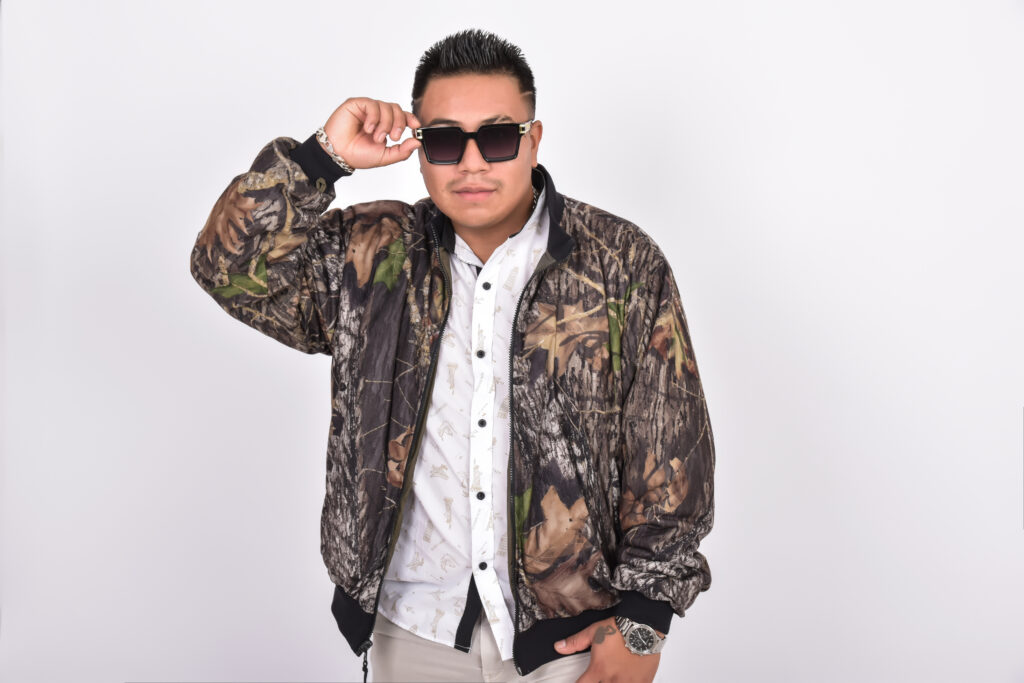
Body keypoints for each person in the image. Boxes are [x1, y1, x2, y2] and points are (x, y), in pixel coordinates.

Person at [190, 28, 715, 683]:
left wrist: (642, 625)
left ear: (533, 140)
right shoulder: (370, 255)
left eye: (496, 137)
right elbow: (225, 267)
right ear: (419, 150)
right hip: (412, 631)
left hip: (573, 639)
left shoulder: (620, 262)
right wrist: (322, 157)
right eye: (444, 140)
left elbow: (671, 450)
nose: (471, 163)